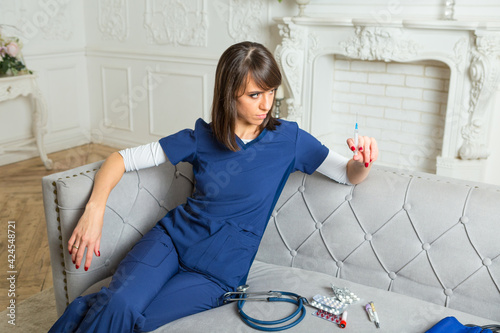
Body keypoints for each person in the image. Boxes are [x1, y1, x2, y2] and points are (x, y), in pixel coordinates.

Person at [49, 41, 378, 332]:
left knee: (138, 321)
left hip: (217, 274)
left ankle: (86, 310)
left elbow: (346, 173)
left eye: (271, 91)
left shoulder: (290, 140)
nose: (267, 104)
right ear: (229, 94)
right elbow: (120, 159)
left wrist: (363, 160)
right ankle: (94, 308)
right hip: (170, 243)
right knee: (119, 304)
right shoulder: (201, 137)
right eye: (254, 94)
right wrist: (95, 209)